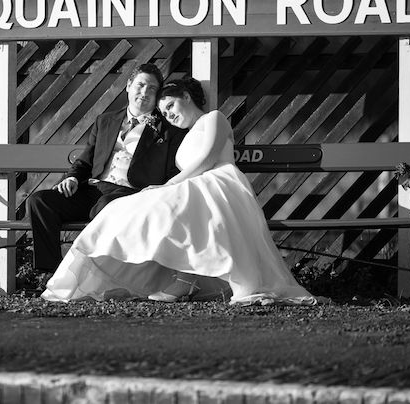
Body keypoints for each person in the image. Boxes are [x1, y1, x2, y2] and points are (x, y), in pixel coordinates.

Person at [41, 77, 318, 305]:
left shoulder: (214, 118)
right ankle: (165, 276)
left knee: (169, 204)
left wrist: (168, 186)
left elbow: (207, 160)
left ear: (187, 96)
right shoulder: (181, 137)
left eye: (171, 105)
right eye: (164, 112)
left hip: (219, 182)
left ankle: (188, 280)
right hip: (193, 185)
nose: (170, 115)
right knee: (130, 208)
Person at [27, 63, 186, 272]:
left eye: (152, 89)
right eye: (140, 85)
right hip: (93, 188)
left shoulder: (167, 130)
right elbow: (85, 161)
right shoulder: (106, 120)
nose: (144, 92)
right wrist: (73, 178)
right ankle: (52, 274)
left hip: (131, 193)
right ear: (129, 86)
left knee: (105, 206)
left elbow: (173, 172)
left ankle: (91, 274)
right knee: (40, 201)